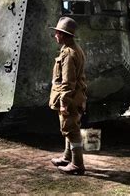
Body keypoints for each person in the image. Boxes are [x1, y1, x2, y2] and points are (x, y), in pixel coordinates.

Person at [49, 17, 87, 175]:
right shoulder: (73, 49)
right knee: (68, 128)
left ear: (63, 35)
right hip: (75, 95)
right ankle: (67, 157)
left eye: (57, 33)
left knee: (71, 129)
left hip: (70, 98)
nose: (55, 36)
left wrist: (64, 102)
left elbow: (68, 82)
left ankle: (77, 165)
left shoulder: (69, 54)